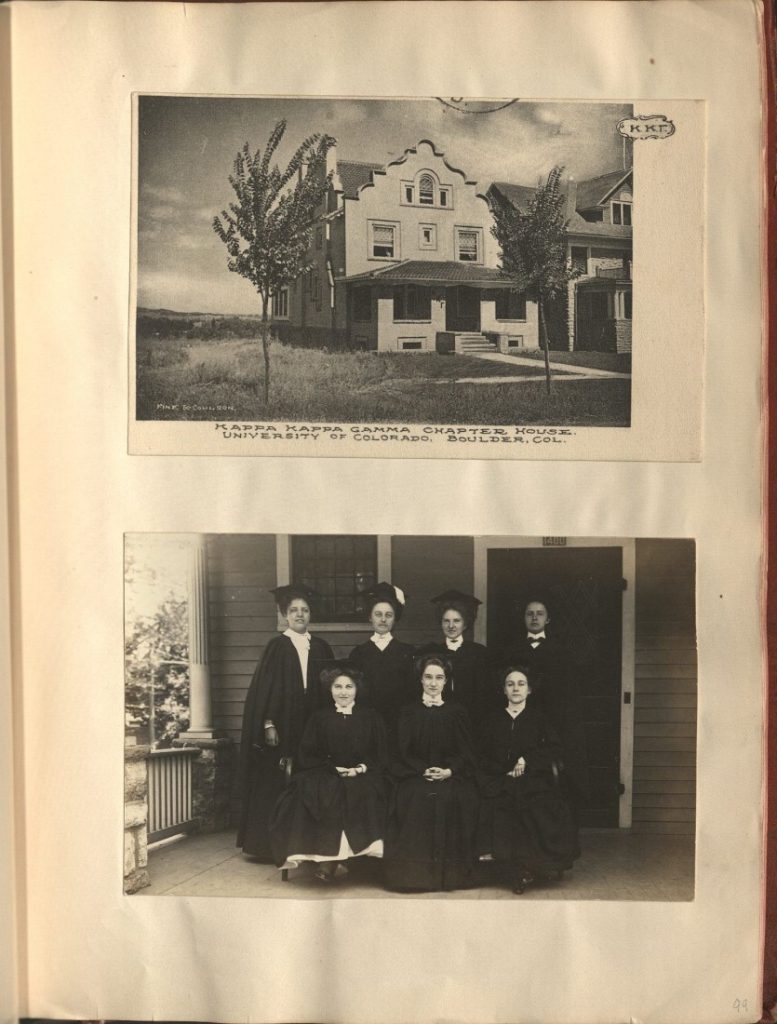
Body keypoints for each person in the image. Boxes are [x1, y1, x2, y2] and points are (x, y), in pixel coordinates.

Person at [236, 583, 334, 861]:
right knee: (276, 782)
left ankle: (305, 843)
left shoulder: (321, 647)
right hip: (282, 726)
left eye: (304, 610)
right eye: (294, 610)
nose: (300, 615)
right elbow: (264, 690)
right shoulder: (277, 646)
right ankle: (268, 847)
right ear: (284, 615)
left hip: (311, 725)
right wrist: (268, 724)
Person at [269, 663, 389, 881]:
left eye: (349, 686)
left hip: (363, 774)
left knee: (362, 792)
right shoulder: (319, 718)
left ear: (357, 689)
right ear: (330, 689)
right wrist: (332, 768)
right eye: (338, 686)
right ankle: (329, 860)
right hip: (325, 772)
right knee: (321, 793)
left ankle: (352, 862)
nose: (343, 692)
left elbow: (380, 754)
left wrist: (360, 769)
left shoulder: (371, 717)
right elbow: (307, 754)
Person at [477, 664, 580, 894]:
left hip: (532, 778)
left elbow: (553, 749)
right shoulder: (492, 720)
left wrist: (527, 760)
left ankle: (528, 867)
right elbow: (481, 754)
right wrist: (501, 770)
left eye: (521, 684)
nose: (516, 689)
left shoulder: (539, 719)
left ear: (529, 690)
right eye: (510, 684)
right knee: (498, 802)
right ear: (503, 690)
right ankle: (506, 865)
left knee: (537, 806)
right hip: (499, 777)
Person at [384, 654, 479, 892]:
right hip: (415, 775)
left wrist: (449, 770)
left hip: (450, 775)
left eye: (439, 677)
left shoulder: (457, 712)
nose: (433, 683)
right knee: (415, 798)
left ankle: (453, 877)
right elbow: (402, 752)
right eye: (428, 677)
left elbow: (466, 751)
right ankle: (414, 877)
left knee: (456, 797)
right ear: (420, 680)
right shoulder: (408, 712)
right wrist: (422, 770)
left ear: (446, 681)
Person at [507, 597, 590, 813]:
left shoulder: (561, 650)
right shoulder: (512, 650)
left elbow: (568, 691)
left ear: (548, 618)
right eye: (529, 613)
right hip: (522, 717)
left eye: (540, 613)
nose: (534, 618)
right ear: (523, 618)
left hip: (553, 719)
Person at [348, 581, 414, 747]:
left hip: (399, 724)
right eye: (378, 614)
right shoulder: (358, 653)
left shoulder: (407, 652)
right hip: (367, 723)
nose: (383, 619)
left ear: (395, 619)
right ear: (370, 617)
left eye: (388, 615)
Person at [417, 589, 492, 726]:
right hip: (437, 721)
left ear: (465, 624)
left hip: (470, 721)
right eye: (446, 621)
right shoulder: (431, 653)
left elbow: (483, 696)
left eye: (456, 621)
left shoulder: (478, 654)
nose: (451, 626)